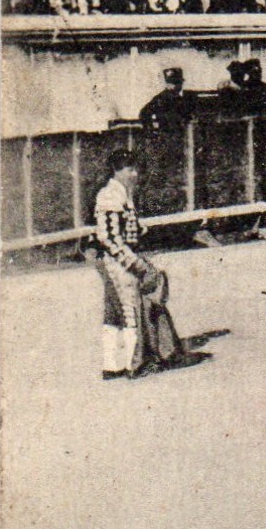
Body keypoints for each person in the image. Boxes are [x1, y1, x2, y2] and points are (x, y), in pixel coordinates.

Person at [93, 151, 186, 379]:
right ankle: (135, 364)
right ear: (116, 170)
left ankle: (112, 366)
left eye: (135, 169)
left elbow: (122, 230)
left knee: (114, 313)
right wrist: (134, 263)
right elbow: (109, 237)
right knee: (129, 309)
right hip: (118, 262)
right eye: (129, 169)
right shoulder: (110, 195)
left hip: (116, 260)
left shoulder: (121, 193)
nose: (134, 174)